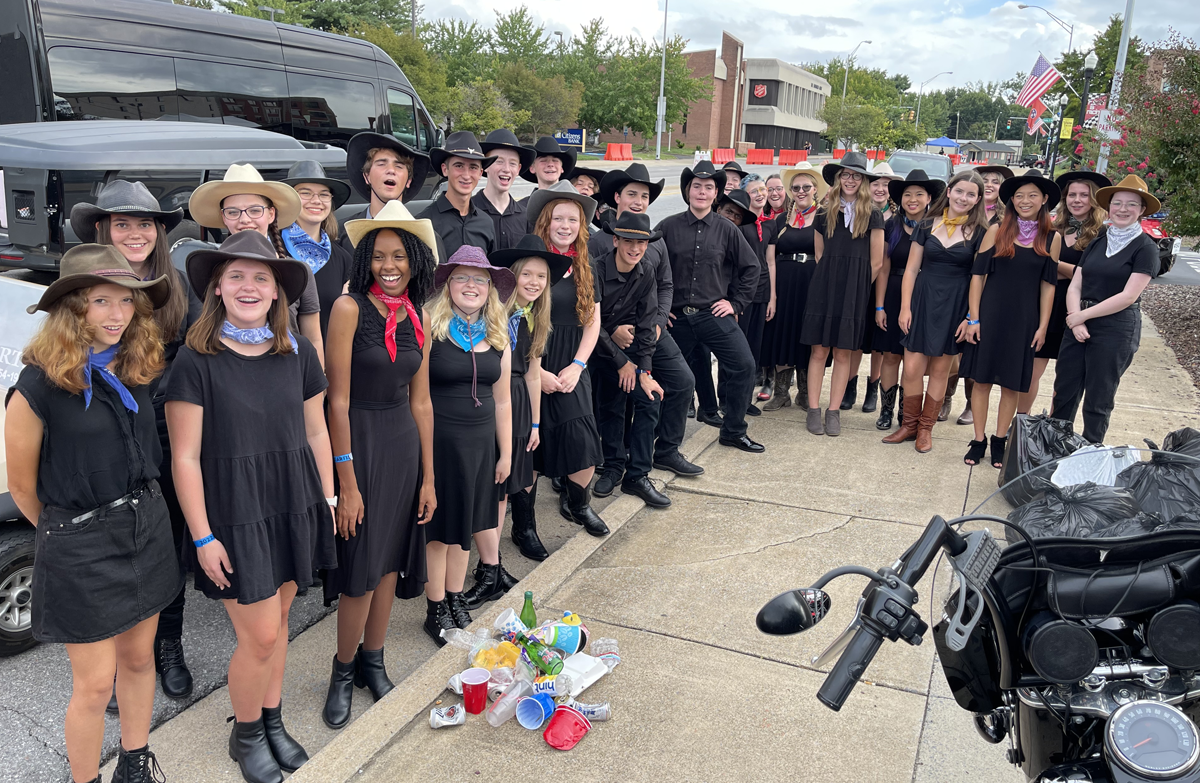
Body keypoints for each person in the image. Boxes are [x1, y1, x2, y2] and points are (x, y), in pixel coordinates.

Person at [5, 245, 180, 783]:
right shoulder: (37, 386)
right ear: (71, 310)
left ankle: (134, 761)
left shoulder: (135, 367)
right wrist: (71, 534)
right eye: (100, 301)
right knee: (95, 682)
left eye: (125, 302)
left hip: (146, 527)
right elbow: (22, 486)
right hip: (80, 541)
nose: (115, 314)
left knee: (138, 660)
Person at [167, 231, 335, 783]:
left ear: (276, 292)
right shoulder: (195, 360)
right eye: (236, 275)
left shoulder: (298, 352)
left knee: (282, 619)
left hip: (295, 500)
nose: (249, 285)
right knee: (258, 634)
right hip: (233, 513)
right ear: (216, 286)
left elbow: (317, 431)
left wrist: (328, 498)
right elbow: (185, 458)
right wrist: (201, 536)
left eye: (261, 277)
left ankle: (271, 718)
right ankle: (245, 735)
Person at [69, 181, 200, 708]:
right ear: (103, 229)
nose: (135, 233)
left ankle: (166, 646)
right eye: (122, 223)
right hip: (98, 431)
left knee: (163, 545)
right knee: (110, 545)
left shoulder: (178, 285)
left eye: (144, 224)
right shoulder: (82, 284)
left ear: (159, 232)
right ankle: (118, 663)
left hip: (164, 430)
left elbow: (195, 357)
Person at [320, 201, 438, 729]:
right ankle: (342, 670)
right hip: (360, 443)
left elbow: (422, 403)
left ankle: (374, 660)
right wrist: (346, 480)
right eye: (379, 256)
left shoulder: (421, 318)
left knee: (389, 562)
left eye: (400, 256)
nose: (389, 266)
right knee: (360, 573)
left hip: (403, 445)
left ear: (415, 260)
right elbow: (335, 401)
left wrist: (429, 477)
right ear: (365, 259)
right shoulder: (348, 310)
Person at [421, 246, 513, 640]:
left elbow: (504, 400)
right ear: (448, 285)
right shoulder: (429, 326)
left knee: (468, 527)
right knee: (440, 530)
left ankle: (455, 597)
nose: (471, 285)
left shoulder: (498, 334)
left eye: (480, 279)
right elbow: (417, 394)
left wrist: (506, 452)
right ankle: (435, 606)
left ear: (489, 289)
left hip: (480, 446)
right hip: (440, 443)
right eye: (462, 277)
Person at [590, 164, 701, 480]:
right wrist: (612, 333)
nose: (638, 201)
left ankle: (665, 450)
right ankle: (616, 459)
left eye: (644, 196)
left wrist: (657, 320)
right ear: (617, 197)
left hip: (648, 327)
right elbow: (588, 307)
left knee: (681, 382)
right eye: (632, 194)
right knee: (617, 398)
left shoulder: (656, 244)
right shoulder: (599, 244)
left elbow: (665, 285)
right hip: (609, 332)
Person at [659, 161, 763, 453]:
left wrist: (735, 303)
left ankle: (733, 431)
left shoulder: (728, 230)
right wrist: (659, 307)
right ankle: (663, 441)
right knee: (670, 377)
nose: (702, 192)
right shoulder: (667, 227)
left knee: (744, 365)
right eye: (696, 186)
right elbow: (648, 266)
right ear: (687, 191)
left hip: (711, 315)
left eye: (708, 187)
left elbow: (751, 268)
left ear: (716, 193)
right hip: (676, 318)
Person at [960, 172, 1060, 468]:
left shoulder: (1050, 238)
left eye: (1032, 195)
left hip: (1025, 321)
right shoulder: (997, 230)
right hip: (990, 315)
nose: (1025, 201)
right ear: (1011, 201)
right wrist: (974, 318)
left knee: (1011, 386)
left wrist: (1043, 326)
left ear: (1043, 200)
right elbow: (978, 276)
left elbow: (1048, 285)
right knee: (981, 380)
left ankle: (999, 440)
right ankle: (978, 439)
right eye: (1019, 196)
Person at [1051, 175, 1159, 444]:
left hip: (1116, 327)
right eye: (1117, 203)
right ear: (1108, 207)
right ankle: (1053, 449)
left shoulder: (1145, 248)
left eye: (1131, 204)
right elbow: (1077, 283)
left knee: (1099, 397)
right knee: (1064, 391)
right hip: (1078, 322)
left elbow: (1128, 296)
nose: (1123, 209)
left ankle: (1090, 451)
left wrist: (1081, 317)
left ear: (1142, 210)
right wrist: (1075, 321)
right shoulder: (1099, 240)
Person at [885, 170, 989, 453]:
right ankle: (908, 425)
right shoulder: (927, 224)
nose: (963, 198)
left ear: (978, 199)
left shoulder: (981, 232)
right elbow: (911, 269)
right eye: (959, 191)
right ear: (950, 191)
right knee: (912, 369)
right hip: (922, 299)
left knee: (941, 370)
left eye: (971, 194)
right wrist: (905, 307)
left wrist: (971, 316)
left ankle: (925, 430)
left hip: (955, 303)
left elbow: (980, 278)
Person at [527, 181, 610, 533]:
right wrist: (535, 372)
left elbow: (593, 322)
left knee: (582, 440)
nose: (565, 226)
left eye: (572, 220)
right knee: (528, 448)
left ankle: (579, 504)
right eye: (558, 218)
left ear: (581, 226)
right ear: (546, 221)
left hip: (572, 362)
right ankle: (525, 526)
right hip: (531, 363)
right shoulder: (530, 263)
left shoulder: (587, 266)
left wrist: (578, 365)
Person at [188, 163, 325, 367]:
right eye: (233, 212)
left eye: (254, 210)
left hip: (287, 373)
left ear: (271, 214)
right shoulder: (209, 270)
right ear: (224, 217)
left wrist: (317, 388)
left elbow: (313, 338)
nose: (245, 220)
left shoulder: (297, 270)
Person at [486, 236, 570, 565]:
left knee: (514, 479)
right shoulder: (494, 312)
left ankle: (507, 548)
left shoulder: (535, 316)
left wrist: (536, 422)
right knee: (492, 480)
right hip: (493, 398)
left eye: (541, 277)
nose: (534, 283)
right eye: (527, 275)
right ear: (513, 275)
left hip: (520, 400)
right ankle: (487, 561)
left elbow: (534, 373)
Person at [800, 151, 885, 437]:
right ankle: (814, 408)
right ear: (839, 179)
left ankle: (833, 410)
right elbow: (820, 252)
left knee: (843, 351)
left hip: (854, 290)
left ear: (863, 181)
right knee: (819, 350)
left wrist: (858, 288)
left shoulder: (873, 213)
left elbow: (876, 261)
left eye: (856, 175)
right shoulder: (824, 212)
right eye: (846, 175)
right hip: (824, 285)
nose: (850, 180)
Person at [591, 212, 673, 507]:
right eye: (628, 241)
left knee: (649, 397)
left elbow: (648, 320)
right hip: (592, 350)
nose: (636, 248)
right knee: (611, 404)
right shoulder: (595, 270)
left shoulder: (646, 269)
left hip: (628, 350)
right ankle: (612, 466)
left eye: (642, 243)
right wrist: (621, 362)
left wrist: (644, 369)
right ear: (615, 240)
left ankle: (637, 475)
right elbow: (589, 323)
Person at [1021, 171, 1111, 412]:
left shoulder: (1103, 235)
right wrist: (1069, 270)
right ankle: (1020, 424)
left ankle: (1055, 428)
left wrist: (1051, 263)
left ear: (1094, 199)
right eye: (1072, 195)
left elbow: (1092, 275)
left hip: (1079, 311)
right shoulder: (1052, 228)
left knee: (1066, 381)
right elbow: (1033, 267)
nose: (1077, 200)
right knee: (1029, 373)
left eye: (1084, 195)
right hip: (1046, 305)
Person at [872, 170, 942, 431]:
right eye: (907, 195)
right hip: (892, 292)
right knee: (890, 356)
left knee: (913, 360)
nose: (912, 199)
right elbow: (883, 268)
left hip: (924, 295)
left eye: (919, 194)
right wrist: (879, 306)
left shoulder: (937, 226)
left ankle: (907, 410)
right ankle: (886, 410)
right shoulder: (890, 225)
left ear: (929, 198)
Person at [761, 164, 827, 412]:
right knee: (782, 334)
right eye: (796, 187)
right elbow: (771, 259)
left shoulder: (823, 217)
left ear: (815, 190)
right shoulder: (780, 220)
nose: (801, 191)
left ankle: (805, 392)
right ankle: (781, 392)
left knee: (807, 337)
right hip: (784, 282)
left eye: (806, 187)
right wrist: (772, 296)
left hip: (811, 283)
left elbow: (825, 257)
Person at [952, 164, 1014, 426]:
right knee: (951, 352)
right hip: (956, 286)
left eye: (995, 181)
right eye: (985, 180)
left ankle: (968, 403)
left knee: (972, 351)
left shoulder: (1005, 220)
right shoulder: (961, 212)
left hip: (986, 291)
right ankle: (945, 397)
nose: (989, 184)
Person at [848, 162, 900, 414]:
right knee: (856, 337)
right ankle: (850, 385)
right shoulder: (859, 212)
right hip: (860, 281)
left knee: (879, 340)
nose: (880, 189)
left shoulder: (898, 219)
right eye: (875, 183)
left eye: (886, 185)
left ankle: (873, 388)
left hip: (886, 286)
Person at [280, 160, 354, 339]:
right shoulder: (273, 249)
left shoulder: (343, 258)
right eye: (305, 193)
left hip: (326, 360)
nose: (316, 201)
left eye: (324, 194)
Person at [338, 132, 432, 254]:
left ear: (408, 181)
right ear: (367, 177)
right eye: (381, 164)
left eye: (399, 166)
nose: (391, 170)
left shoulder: (425, 236)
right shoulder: (341, 234)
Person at [417, 130, 497, 257]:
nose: (466, 175)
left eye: (473, 167)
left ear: (480, 173)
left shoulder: (486, 223)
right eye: (459, 166)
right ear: (445, 169)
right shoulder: (424, 222)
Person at [473, 129, 535, 251]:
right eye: (499, 161)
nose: (506, 169)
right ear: (485, 165)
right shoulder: (469, 211)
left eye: (512, 163)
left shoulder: (526, 217)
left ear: (518, 169)